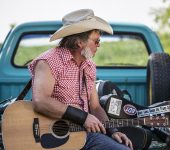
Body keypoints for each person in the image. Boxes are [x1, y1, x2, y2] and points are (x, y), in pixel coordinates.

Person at [28, 9, 133, 150]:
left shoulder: (89, 66)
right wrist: (83, 117)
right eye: (96, 41)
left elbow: (95, 107)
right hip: (52, 137)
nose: (99, 45)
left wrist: (112, 131)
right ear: (79, 43)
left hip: (84, 135)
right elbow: (41, 101)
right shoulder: (49, 61)